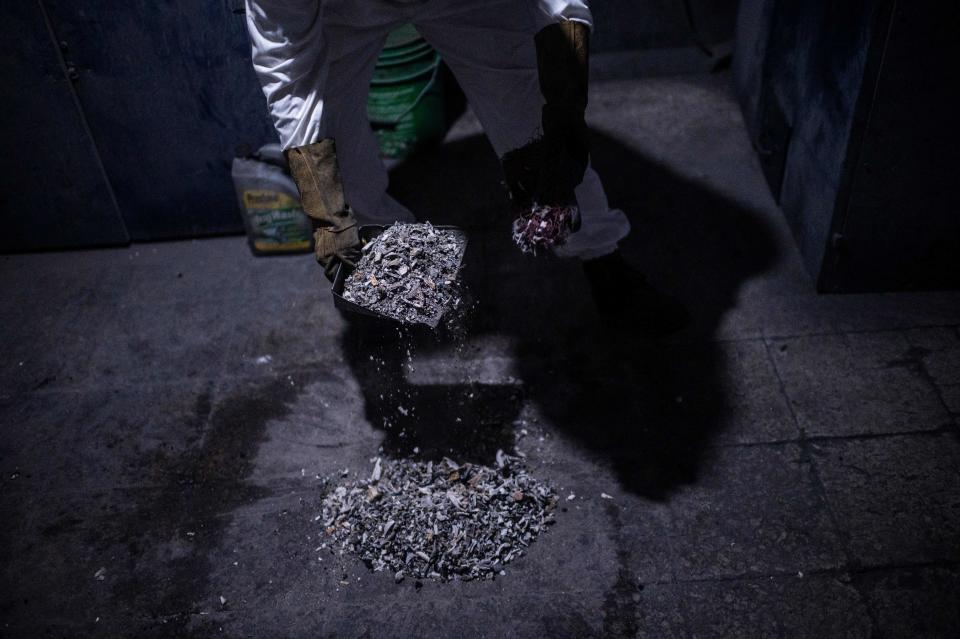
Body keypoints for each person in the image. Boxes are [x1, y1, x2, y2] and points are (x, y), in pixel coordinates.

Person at [245, 0, 687, 334]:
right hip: (340, 9)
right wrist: (326, 213)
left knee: (536, 130)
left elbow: (558, 6)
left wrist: (567, 108)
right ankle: (382, 272)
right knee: (334, 164)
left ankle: (601, 255)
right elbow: (290, 76)